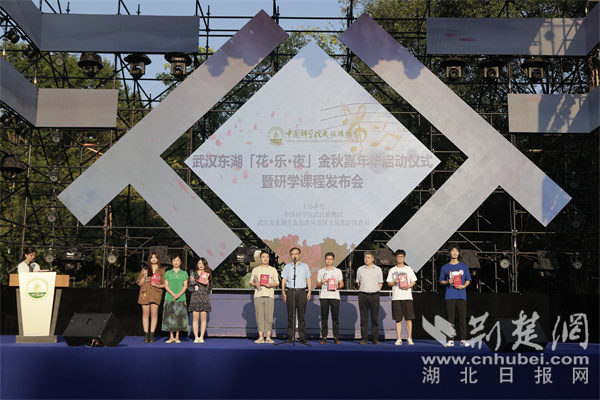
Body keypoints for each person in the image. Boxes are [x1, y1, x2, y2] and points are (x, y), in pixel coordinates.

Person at [439, 245, 471, 347]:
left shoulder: (464, 266)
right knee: (450, 319)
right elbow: (441, 281)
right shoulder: (445, 267)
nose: (454, 253)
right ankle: (450, 340)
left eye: (456, 251)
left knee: (462, 318)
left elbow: (468, 279)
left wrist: (464, 286)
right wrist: (447, 282)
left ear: (459, 253)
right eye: (452, 251)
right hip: (450, 295)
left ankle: (463, 340)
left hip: (461, 295)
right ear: (449, 253)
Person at [281, 247, 312, 344]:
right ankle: (291, 336)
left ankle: (302, 337)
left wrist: (309, 291)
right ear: (290, 256)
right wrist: (283, 292)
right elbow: (284, 280)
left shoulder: (305, 266)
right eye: (292, 254)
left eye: (296, 253)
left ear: (299, 255)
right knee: (291, 315)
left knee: (301, 316)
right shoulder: (287, 267)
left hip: (302, 292)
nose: (294, 255)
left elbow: (308, 279)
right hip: (291, 292)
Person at [386, 249, 417, 345]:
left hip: (407, 297)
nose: (400, 258)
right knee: (398, 319)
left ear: (404, 258)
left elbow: (414, 281)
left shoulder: (409, 269)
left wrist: (408, 286)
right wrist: (395, 282)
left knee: (409, 319)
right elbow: (389, 283)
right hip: (396, 297)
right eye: (398, 256)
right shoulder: (392, 270)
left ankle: (409, 338)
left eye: (401, 256)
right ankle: (399, 338)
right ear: (395, 258)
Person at [249, 250, 280, 343]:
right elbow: (251, 282)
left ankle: (268, 337)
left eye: (267, 257)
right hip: (258, 295)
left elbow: (277, 282)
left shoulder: (273, 270)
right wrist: (255, 284)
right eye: (263, 257)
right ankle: (261, 337)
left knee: (269, 317)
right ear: (260, 258)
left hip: (269, 295)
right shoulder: (255, 269)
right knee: (259, 316)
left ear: (269, 259)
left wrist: (271, 285)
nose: (265, 259)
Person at [137, 252, 166, 343]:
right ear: (149, 259)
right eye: (151, 257)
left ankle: (152, 334)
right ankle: (146, 334)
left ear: (158, 259)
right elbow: (139, 283)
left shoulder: (161, 271)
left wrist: (158, 285)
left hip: (155, 293)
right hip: (145, 293)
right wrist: (144, 276)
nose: (153, 259)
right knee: (145, 314)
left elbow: (165, 284)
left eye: (155, 257)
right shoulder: (145, 269)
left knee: (154, 314)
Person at [316, 252, 344, 344]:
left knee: (335, 318)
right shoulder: (321, 271)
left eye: (330, 259)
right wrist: (322, 282)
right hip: (324, 296)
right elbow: (317, 285)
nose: (329, 261)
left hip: (335, 297)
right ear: (325, 260)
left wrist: (337, 286)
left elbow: (342, 284)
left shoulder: (338, 271)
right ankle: (324, 337)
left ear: (333, 260)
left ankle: (336, 337)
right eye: (327, 259)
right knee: (324, 318)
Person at [356, 251, 383, 345]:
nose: (366, 259)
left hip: (374, 295)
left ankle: (375, 338)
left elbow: (380, 283)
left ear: (373, 259)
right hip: (363, 295)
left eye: (368, 257)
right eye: (365, 257)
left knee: (374, 318)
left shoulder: (378, 269)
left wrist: (375, 291)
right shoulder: (360, 269)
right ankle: (364, 338)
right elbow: (358, 283)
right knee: (364, 319)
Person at [162, 254, 189, 343]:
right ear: (171, 262)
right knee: (170, 317)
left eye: (177, 260)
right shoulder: (168, 273)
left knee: (179, 317)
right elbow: (166, 285)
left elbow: (185, 286)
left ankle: (177, 336)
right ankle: (171, 336)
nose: (176, 262)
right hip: (169, 297)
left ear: (180, 262)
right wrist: (173, 294)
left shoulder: (184, 273)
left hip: (181, 298)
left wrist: (178, 295)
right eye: (174, 260)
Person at [188, 257, 213, 343]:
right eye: (199, 263)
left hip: (204, 297)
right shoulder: (193, 274)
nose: (201, 265)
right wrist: (191, 282)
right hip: (195, 297)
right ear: (197, 265)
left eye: (202, 263)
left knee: (203, 318)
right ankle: (196, 337)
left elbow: (210, 288)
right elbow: (190, 288)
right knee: (195, 318)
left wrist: (208, 283)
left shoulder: (207, 274)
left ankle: (201, 336)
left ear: (205, 265)